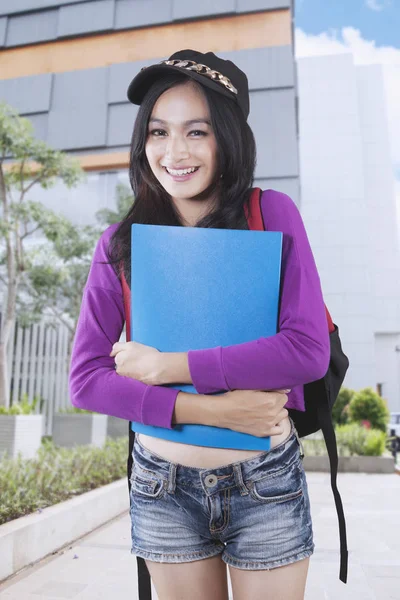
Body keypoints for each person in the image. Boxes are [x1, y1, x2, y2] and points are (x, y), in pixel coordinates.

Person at [69, 49, 330, 600]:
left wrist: (171, 367)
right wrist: (209, 408)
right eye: (159, 132)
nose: (175, 151)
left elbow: (307, 350)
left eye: (197, 132)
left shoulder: (271, 214)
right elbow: (86, 380)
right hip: (162, 485)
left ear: (228, 139)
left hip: (264, 483)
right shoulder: (120, 243)